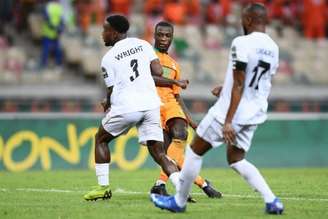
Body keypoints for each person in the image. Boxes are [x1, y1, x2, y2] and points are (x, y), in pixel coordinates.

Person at [150, 3, 284, 215]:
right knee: (236, 159)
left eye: (242, 19)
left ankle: (179, 201)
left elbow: (239, 83)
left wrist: (229, 119)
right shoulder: (274, 48)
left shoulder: (241, 42)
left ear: (248, 20)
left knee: (194, 151)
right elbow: (258, 81)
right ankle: (272, 200)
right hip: (255, 112)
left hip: (230, 111)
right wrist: (226, 87)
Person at [83, 15, 180, 201]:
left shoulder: (108, 59)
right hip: (151, 104)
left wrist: (107, 102)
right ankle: (180, 186)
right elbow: (158, 72)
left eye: (105, 30)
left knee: (100, 139)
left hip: (128, 106)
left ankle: (103, 187)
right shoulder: (143, 44)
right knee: (159, 153)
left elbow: (111, 90)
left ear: (115, 32)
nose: (103, 34)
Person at [149, 21, 222, 200]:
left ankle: (160, 185)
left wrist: (191, 121)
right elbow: (150, 79)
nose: (164, 39)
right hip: (151, 106)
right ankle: (203, 184)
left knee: (181, 133)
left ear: (172, 38)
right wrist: (174, 82)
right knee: (171, 157)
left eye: (168, 35)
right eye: (160, 35)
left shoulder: (174, 65)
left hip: (171, 105)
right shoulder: (147, 56)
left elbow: (177, 96)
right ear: (154, 35)